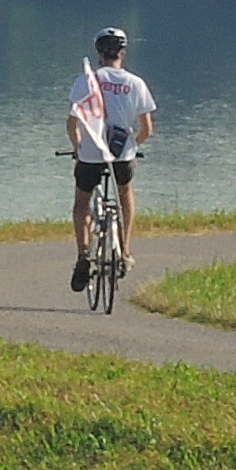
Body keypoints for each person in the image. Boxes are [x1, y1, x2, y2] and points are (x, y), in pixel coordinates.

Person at [66, 25, 156, 291]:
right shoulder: (135, 83)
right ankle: (125, 250)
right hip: (122, 154)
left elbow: (72, 123)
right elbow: (147, 129)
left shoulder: (88, 80)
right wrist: (131, 145)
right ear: (122, 54)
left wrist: (77, 147)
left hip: (91, 153)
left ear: (98, 53)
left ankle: (83, 254)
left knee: (82, 203)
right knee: (125, 194)